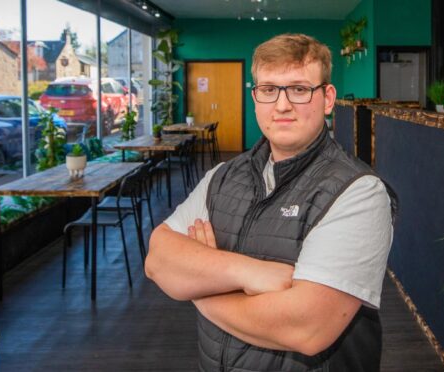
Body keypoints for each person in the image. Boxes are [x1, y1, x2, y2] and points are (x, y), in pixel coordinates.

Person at [146, 33, 396, 371]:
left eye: (298, 89)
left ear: (327, 98)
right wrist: (253, 273)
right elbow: (159, 260)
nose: (281, 105)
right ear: (256, 98)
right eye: (268, 89)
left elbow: (308, 327)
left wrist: (200, 288)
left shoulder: (358, 191)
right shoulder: (221, 176)